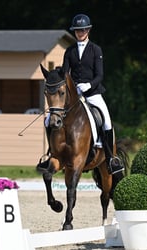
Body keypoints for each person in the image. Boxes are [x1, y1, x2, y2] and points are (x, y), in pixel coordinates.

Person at [37, 14, 123, 174]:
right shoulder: (69, 51)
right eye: (77, 30)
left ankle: (111, 158)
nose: (80, 33)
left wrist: (88, 85)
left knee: (107, 121)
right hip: (74, 94)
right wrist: (57, 76)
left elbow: (100, 75)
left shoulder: (96, 50)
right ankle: (51, 153)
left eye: (83, 30)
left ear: (88, 30)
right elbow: (65, 72)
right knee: (49, 118)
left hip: (93, 93)